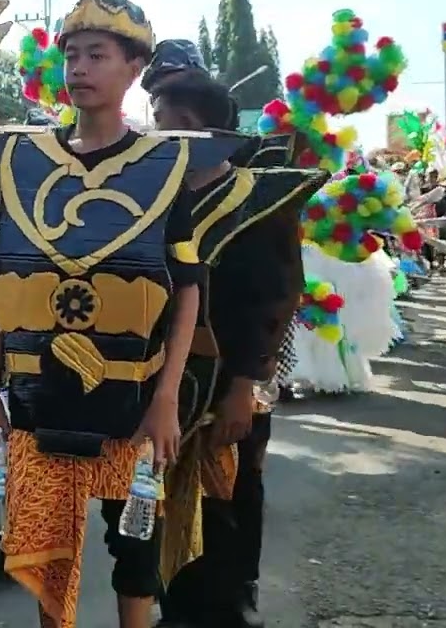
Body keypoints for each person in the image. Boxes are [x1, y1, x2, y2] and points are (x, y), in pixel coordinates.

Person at [0, 0, 251, 628]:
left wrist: (168, 397)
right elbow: (11, 291)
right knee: (46, 558)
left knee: (135, 552)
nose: (79, 69)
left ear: (134, 69)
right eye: (71, 55)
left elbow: (186, 289)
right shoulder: (22, 160)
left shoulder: (167, 162)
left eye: (97, 55)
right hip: (38, 402)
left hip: (131, 401)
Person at [144, 68, 311, 628]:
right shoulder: (151, 199)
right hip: (164, 387)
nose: (154, 132)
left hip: (231, 385)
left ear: (193, 127)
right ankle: (180, 606)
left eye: (163, 120)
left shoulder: (257, 201)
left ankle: (231, 604)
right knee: (162, 507)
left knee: (228, 501)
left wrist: (246, 385)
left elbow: (277, 298)